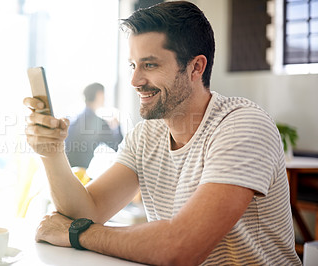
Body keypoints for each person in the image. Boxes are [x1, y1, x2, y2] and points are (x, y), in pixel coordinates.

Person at [23, 1, 301, 265]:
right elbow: (87, 211)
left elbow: (181, 248)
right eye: (133, 65)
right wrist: (52, 153)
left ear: (196, 67)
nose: (135, 80)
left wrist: (78, 233)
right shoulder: (146, 135)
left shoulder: (242, 125)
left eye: (150, 65)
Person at [64, 82, 123, 168]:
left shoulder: (73, 120)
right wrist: (117, 126)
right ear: (99, 95)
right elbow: (119, 148)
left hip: (67, 170)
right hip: (80, 175)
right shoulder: (99, 123)